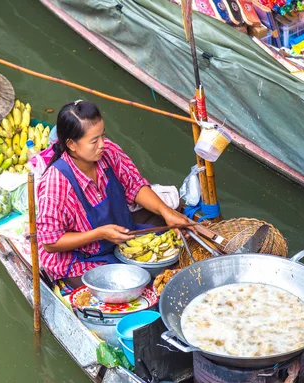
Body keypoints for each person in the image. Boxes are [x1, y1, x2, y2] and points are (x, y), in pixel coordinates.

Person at [36, 100, 191, 287]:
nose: (102, 144)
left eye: (102, 135)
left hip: (119, 237)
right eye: (94, 141)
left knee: (177, 235)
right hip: (82, 257)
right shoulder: (56, 184)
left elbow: (134, 185)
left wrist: (166, 212)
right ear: (72, 144)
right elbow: (51, 242)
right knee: (131, 287)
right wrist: (99, 234)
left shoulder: (107, 152)